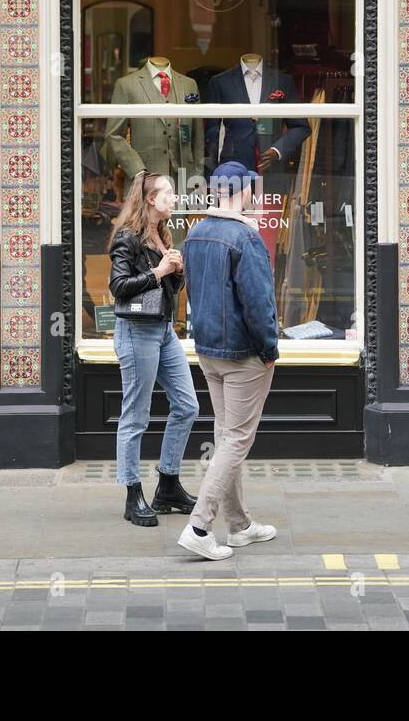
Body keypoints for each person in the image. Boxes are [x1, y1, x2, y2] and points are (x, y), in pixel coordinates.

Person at [177, 161, 280, 560]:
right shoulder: (246, 237)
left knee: (226, 437)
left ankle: (239, 526)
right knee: (236, 439)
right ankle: (200, 526)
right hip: (243, 354)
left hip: (207, 350)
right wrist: (270, 349)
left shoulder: (196, 232)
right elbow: (258, 303)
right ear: (244, 191)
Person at [107, 170, 200, 526]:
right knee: (136, 416)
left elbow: (167, 290)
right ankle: (133, 494)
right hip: (135, 332)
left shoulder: (163, 234)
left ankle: (168, 484)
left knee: (187, 405)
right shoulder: (127, 237)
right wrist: (160, 272)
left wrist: (176, 272)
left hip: (163, 330)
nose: (174, 198)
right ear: (150, 199)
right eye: (168, 193)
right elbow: (119, 286)